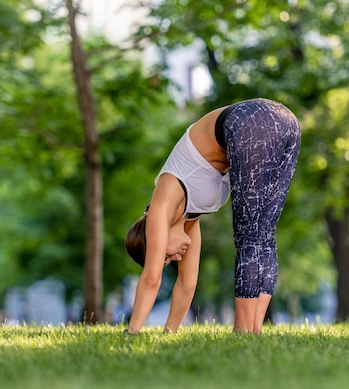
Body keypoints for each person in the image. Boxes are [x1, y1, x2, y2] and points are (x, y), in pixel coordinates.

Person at [124, 98, 300, 334]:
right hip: (287, 124)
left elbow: (151, 278)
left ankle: (243, 332)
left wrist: (131, 332)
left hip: (252, 120)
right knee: (263, 234)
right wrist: (169, 333)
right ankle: (254, 332)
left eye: (165, 257)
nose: (173, 258)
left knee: (248, 236)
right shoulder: (190, 217)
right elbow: (187, 284)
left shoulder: (162, 202)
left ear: (152, 237)